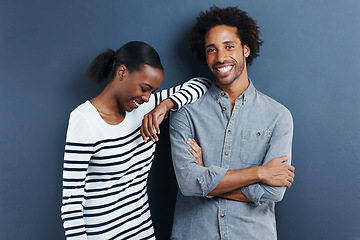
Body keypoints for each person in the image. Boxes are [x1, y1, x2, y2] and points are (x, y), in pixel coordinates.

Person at [61, 41, 211, 239]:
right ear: (122, 72)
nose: (148, 98)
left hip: (143, 231)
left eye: (152, 91)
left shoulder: (148, 108)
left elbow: (203, 83)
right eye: (144, 88)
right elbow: (71, 203)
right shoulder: (85, 119)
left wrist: (165, 105)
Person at [169, 6, 295, 239]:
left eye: (229, 46)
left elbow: (273, 191)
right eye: (211, 50)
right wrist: (259, 173)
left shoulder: (278, 116)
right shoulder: (185, 113)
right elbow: (188, 183)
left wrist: (206, 179)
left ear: (246, 49)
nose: (220, 58)